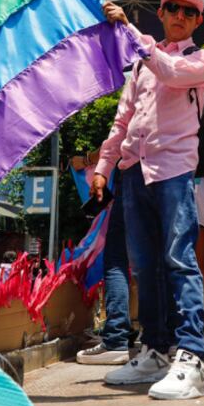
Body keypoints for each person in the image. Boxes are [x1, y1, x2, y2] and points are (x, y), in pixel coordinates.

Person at [93, 0, 204, 401]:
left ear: (198, 20)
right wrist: (103, 167)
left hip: (174, 171)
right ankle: (155, 349)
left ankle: (192, 356)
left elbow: (171, 72)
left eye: (188, 10)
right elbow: (122, 117)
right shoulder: (143, 63)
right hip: (134, 172)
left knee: (179, 260)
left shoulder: (201, 59)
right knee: (144, 267)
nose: (179, 15)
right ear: (161, 13)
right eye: (171, 8)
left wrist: (133, 33)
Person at [76, 157, 131, 366]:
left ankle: (116, 340)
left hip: (133, 178)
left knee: (116, 262)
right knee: (157, 262)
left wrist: (95, 164)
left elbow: (120, 134)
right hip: (172, 177)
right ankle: (163, 341)